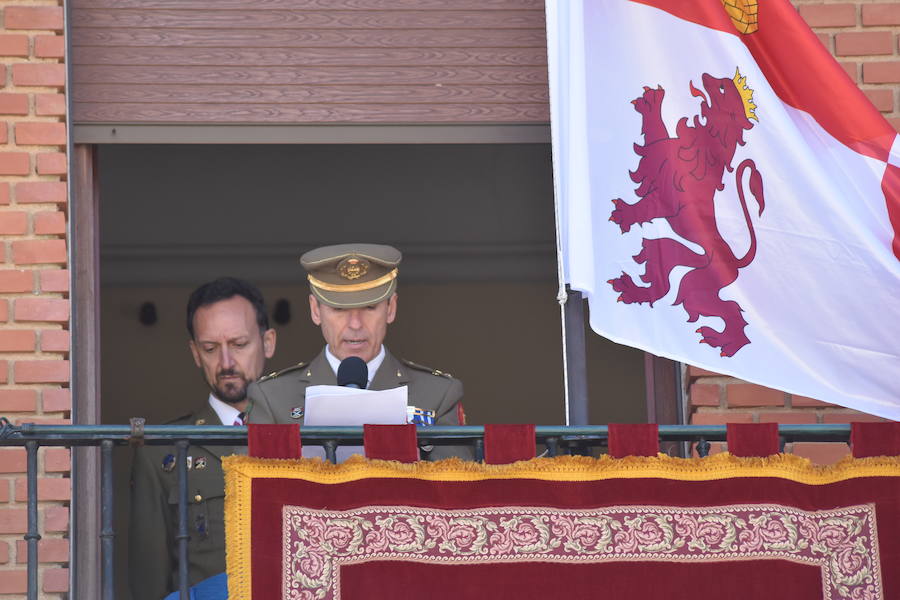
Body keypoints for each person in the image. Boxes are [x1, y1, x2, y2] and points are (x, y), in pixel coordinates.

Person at [246, 243, 469, 460]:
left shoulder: (438, 395)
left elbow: (455, 491)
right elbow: (256, 492)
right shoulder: (272, 398)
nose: (355, 324)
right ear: (316, 311)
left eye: (369, 307)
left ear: (391, 308)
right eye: (339, 309)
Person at [129, 277, 276, 600]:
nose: (226, 363)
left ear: (268, 343)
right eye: (211, 348)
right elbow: (148, 580)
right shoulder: (161, 452)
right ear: (195, 353)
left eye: (239, 344)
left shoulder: (309, 433)